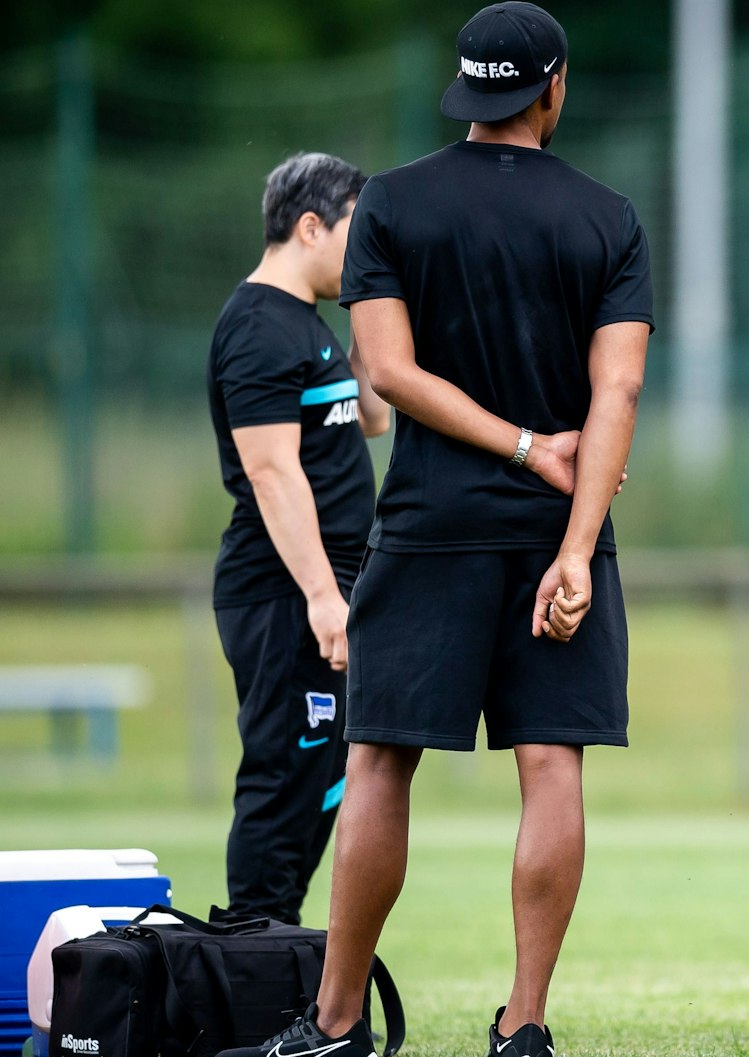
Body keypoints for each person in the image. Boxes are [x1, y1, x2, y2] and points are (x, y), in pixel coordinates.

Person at [219, 4, 653, 1057]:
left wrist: (512, 444)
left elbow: (386, 372)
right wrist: (573, 540)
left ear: (467, 89)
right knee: (552, 765)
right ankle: (525, 1023)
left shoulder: (396, 207)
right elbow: (619, 387)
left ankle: (330, 1025)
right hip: (562, 533)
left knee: (378, 762)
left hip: (428, 527)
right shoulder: (607, 216)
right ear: (553, 88)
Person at [207, 151, 390, 926]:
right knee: (286, 774)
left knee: (325, 778)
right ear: (309, 226)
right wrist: (322, 595)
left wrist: (375, 309)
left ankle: (276, 950)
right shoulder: (257, 328)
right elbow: (273, 473)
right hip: (285, 592)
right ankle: (253, 949)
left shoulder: (308, 325)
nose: (368, 247)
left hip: (327, 586)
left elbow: (374, 416)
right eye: (359, 230)